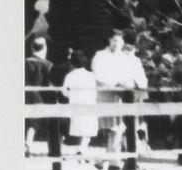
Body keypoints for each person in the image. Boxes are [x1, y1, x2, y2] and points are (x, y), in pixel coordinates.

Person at [91, 29, 148, 158]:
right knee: (116, 129)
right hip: (107, 97)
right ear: (110, 40)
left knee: (121, 128)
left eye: (120, 41)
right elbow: (98, 76)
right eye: (114, 40)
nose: (117, 44)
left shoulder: (124, 58)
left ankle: (112, 160)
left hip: (124, 97)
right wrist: (115, 83)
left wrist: (133, 83)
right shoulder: (100, 56)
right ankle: (112, 160)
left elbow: (133, 75)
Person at [61, 48, 100, 161]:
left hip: (75, 104)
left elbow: (64, 91)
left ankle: (80, 149)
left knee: (77, 126)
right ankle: (82, 148)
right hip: (89, 103)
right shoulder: (91, 76)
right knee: (88, 127)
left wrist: (71, 95)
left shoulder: (69, 76)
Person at [25, 36, 57, 157]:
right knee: (36, 123)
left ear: (32, 47)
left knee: (28, 122)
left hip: (25, 95)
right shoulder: (48, 64)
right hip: (40, 97)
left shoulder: (25, 62)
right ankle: (30, 144)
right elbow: (49, 83)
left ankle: (27, 145)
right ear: (45, 48)